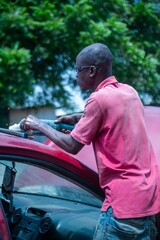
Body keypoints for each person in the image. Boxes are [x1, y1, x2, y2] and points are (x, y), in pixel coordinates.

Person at [22, 43, 160, 239]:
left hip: (122, 206)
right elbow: (113, 113)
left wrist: (39, 125)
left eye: (79, 69)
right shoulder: (130, 93)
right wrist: (79, 117)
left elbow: (72, 145)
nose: (76, 75)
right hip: (148, 201)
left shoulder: (97, 99)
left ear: (92, 71)